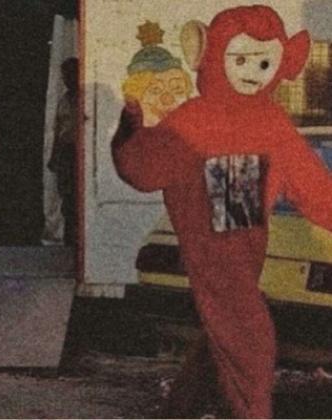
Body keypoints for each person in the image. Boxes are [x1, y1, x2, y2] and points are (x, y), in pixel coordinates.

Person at [112, 5, 329, 418]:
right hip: (212, 250)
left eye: (263, 63)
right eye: (240, 60)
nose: (252, 73)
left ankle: (181, 409)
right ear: (214, 56)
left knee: (225, 338)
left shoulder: (271, 122)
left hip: (244, 251)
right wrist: (130, 132)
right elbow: (144, 169)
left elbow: (313, 187)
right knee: (252, 339)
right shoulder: (193, 120)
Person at [48, 57, 78, 247]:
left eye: (69, 75)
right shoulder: (64, 100)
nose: (66, 79)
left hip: (79, 152)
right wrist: (54, 156)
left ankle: (77, 239)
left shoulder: (85, 100)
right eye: (64, 75)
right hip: (66, 152)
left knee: (77, 197)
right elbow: (58, 130)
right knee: (66, 195)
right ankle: (69, 239)